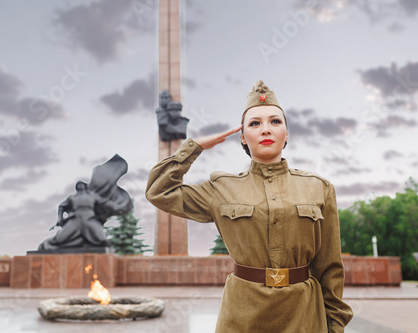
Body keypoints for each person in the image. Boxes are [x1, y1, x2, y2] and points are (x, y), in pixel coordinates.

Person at [145, 80, 353, 332]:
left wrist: (335, 326)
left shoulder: (319, 187)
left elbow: (330, 267)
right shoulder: (221, 188)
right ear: (242, 137)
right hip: (242, 316)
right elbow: (159, 191)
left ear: (287, 133)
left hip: (304, 315)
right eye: (255, 123)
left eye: (275, 122)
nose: (266, 130)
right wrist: (195, 146)